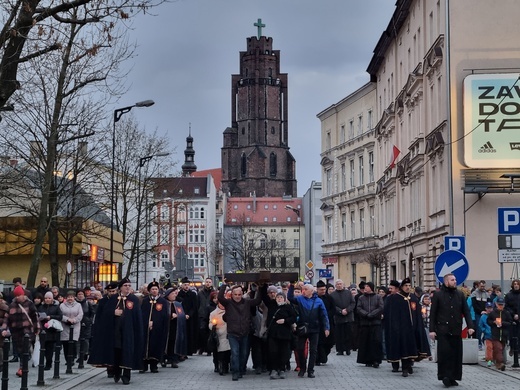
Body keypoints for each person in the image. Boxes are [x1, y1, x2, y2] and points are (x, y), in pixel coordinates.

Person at [88, 278, 144, 385]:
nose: (127, 287)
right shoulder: (113, 299)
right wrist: (113, 312)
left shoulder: (134, 299)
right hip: (115, 331)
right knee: (117, 351)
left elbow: (137, 316)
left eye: (129, 285)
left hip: (129, 331)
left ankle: (126, 375)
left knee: (127, 351)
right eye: (125, 285)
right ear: (120, 288)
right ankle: (117, 371)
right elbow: (105, 314)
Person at [429, 273, 474, 387]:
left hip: (456, 329)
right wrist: (432, 330)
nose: (455, 281)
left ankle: (454, 376)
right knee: (444, 354)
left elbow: (466, 312)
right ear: (446, 282)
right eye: (452, 280)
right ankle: (445, 376)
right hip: (443, 329)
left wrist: (470, 326)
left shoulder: (459, 294)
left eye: (455, 279)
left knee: (456, 355)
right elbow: (433, 314)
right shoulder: (438, 295)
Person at [385, 277, 430, 377]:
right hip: (401, 329)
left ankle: (409, 364)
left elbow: (417, 313)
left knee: (412, 348)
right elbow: (393, 316)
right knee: (403, 349)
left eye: (409, 286)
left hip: (412, 329)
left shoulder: (413, 298)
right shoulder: (395, 299)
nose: (408, 287)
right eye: (406, 286)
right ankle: (404, 368)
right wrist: (395, 327)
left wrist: (418, 325)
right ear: (401, 287)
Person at [217, 282, 262, 381]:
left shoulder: (247, 302)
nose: (237, 296)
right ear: (232, 294)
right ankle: (235, 372)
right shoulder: (228, 303)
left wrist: (260, 288)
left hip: (245, 332)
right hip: (233, 333)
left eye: (239, 294)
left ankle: (241, 369)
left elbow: (257, 301)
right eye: (235, 294)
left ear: (242, 294)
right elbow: (220, 297)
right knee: (235, 352)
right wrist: (224, 285)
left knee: (244, 353)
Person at [288, 283, 330, 378]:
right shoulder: (300, 299)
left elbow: (324, 315)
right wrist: (291, 285)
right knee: (300, 348)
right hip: (303, 328)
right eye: (303, 289)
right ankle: (303, 368)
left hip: (315, 328)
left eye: (306, 289)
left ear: (311, 291)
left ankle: (311, 370)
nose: (303, 291)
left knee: (313, 350)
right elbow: (290, 297)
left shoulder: (319, 301)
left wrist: (326, 327)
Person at [1, 285, 40, 377]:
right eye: (16, 296)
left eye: (19, 295)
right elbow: (7, 318)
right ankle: (23, 365)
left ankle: (22, 368)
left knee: (24, 349)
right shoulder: (12, 305)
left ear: (23, 295)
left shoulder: (29, 304)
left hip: (27, 330)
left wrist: (37, 328)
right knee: (19, 350)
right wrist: (4, 328)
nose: (17, 297)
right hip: (15, 331)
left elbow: (35, 317)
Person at [262, 289, 296, 380]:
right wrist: (263, 286)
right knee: (273, 352)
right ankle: (273, 369)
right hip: (273, 334)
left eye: (281, 297)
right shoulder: (272, 305)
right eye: (278, 297)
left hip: (285, 334)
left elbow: (293, 317)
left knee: (284, 352)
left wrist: (285, 321)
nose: (279, 299)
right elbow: (265, 298)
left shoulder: (288, 307)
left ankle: (282, 369)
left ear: (284, 299)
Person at [140, 280, 169, 373]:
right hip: (146, 328)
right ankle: (143, 365)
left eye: (156, 289)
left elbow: (164, 316)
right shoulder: (145, 301)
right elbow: (142, 314)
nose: (154, 291)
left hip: (157, 329)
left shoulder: (163, 301)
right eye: (152, 289)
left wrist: (155, 323)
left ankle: (154, 365)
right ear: (149, 290)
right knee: (144, 346)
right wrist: (147, 322)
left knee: (155, 345)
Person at [356, 281, 384, 368]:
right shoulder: (361, 298)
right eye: (365, 286)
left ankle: (376, 360)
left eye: (367, 286)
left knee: (376, 341)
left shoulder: (378, 297)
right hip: (365, 323)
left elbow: (380, 307)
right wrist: (366, 314)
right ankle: (366, 360)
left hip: (375, 323)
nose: (365, 288)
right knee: (365, 342)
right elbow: (359, 308)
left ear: (371, 288)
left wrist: (372, 314)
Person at [329, 279, 355, 356]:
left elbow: (353, 303)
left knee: (348, 334)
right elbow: (332, 306)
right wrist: (340, 311)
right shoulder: (332, 295)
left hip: (348, 317)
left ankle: (348, 349)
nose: (339, 285)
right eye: (337, 284)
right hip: (338, 317)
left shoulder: (348, 293)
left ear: (343, 285)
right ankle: (340, 350)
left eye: (340, 284)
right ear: (335, 286)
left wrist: (347, 310)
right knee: (339, 335)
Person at [487, 297, 513, 372]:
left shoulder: (506, 313)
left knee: (500, 349)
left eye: (502, 305)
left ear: (504, 305)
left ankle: (497, 363)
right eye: (499, 305)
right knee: (498, 348)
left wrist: (503, 323)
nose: (500, 306)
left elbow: (510, 322)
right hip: (495, 334)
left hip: (504, 335)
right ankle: (501, 363)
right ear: (496, 304)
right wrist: (494, 322)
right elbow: (488, 321)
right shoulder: (493, 313)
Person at [38, 291, 63, 370]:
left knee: (49, 348)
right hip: (43, 329)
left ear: (52, 299)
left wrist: (51, 317)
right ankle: (43, 361)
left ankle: (49, 363)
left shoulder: (56, 307)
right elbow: (37, 315)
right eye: (46, 298)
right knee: (43, 347)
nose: (47, 300)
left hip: (52, 330)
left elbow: (60, 316)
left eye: (49, 298)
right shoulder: (41, 307)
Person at [164, 286, 186, 368]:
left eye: (174, 293)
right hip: (166, 327)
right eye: (172, 293)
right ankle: (165, 358)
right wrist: (170, 316)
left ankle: (174, 359)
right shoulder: (164, 303)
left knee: (174, 342)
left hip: (175, 327)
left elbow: (182, 314)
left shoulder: (177, 304)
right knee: (166, 342)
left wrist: (179, 316)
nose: (174, 295)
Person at [60, 290, 83, 365]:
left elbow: (80, 314)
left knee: (73, 343)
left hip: (75, 326)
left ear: (74, 298)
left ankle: (72, 358)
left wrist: (74, 320)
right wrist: (67, 319)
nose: (70, 298)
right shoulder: (62, 305)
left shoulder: (78, 305)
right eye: (69, 297)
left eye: (72, 297)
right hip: (65, 326)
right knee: (65, 343)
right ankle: (67, 359)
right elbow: (60, 314)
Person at [209, 296, 231, 375]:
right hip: (219, 335)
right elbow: (210, 323)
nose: (222, 305)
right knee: (220, 352)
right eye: (221, 303)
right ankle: (220, 366)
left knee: (228, 352)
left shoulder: (230, 311)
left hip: (229, 334)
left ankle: (226, 366)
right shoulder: (213, 313)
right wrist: (213, 326)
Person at [315, 280, 335, 366]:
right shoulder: (314, 298)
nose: (323, 291)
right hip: (317, 323)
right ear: (317, 289)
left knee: (329, 342)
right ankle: (318, 359)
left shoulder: (329, 298)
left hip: (328, 322)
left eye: (324, 289)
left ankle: (324, 355)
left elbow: (333, 309)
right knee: (319, 343)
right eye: (321, 289)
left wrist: (327, 315)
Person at [177, 277, 199, 356]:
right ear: (182, 285)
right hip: (181, 316)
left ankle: (190, 350)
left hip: (190, 317)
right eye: (185, 285)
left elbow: (194, 307)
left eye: (187, 285)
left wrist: (189, 314)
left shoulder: (192, 294)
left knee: (190, 333)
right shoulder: (179, 294)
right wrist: (183, 314)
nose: (186, 286)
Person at [75, 289, 94, 363]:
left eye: (81, 294)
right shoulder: (75, 303)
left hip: (86, 323)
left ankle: (85, 353)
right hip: (77, 323)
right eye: (79, 294)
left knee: (86, 339)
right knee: (78, 340)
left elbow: (92, 312)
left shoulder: (87, 303)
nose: (80, 296)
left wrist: (90, 320)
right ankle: (80, 355)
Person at [470, 280, 489, 350]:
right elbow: (474, 305)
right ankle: (479, 343)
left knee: (487, 328)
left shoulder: (486, 294)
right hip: (478, 314)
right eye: (481, 286)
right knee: (479, 328)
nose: (483, 287)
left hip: (486, 313)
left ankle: (484, 340)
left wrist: (486, 311)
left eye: (484, 286)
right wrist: (481, 311)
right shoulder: (474, 293)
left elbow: (489, 303)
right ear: (478, 286)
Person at [197, 278, 214, 355]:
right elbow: (197, 303)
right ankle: (202, 347)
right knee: (202, 331)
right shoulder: (200, 293)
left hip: (211, 314)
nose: (208, 283)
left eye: (209, 282)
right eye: (207, 282)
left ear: (211, 283)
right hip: (202, 314)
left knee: (210, 332)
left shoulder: (214, 293)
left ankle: (209, 349)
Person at [480, 302, 494, 367]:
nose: (489, 309)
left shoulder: (495, 315)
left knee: (496, 348)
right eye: (488, 308)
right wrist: (484, 330)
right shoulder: (483, 317)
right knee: (489, 347)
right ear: (486, 308)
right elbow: (480, 325)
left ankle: (495, 359)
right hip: (488, 335)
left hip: (495, 335)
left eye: (491, 308)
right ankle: (489, 360)